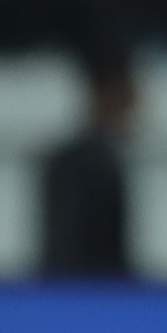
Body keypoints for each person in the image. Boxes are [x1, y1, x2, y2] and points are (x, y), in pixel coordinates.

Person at [37, 45, 137, 277]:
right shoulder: (75, 166)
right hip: (83, 298)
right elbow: (65, 249)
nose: (134, 111)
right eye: (128, 98)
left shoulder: (105, 163)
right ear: (107, 96)